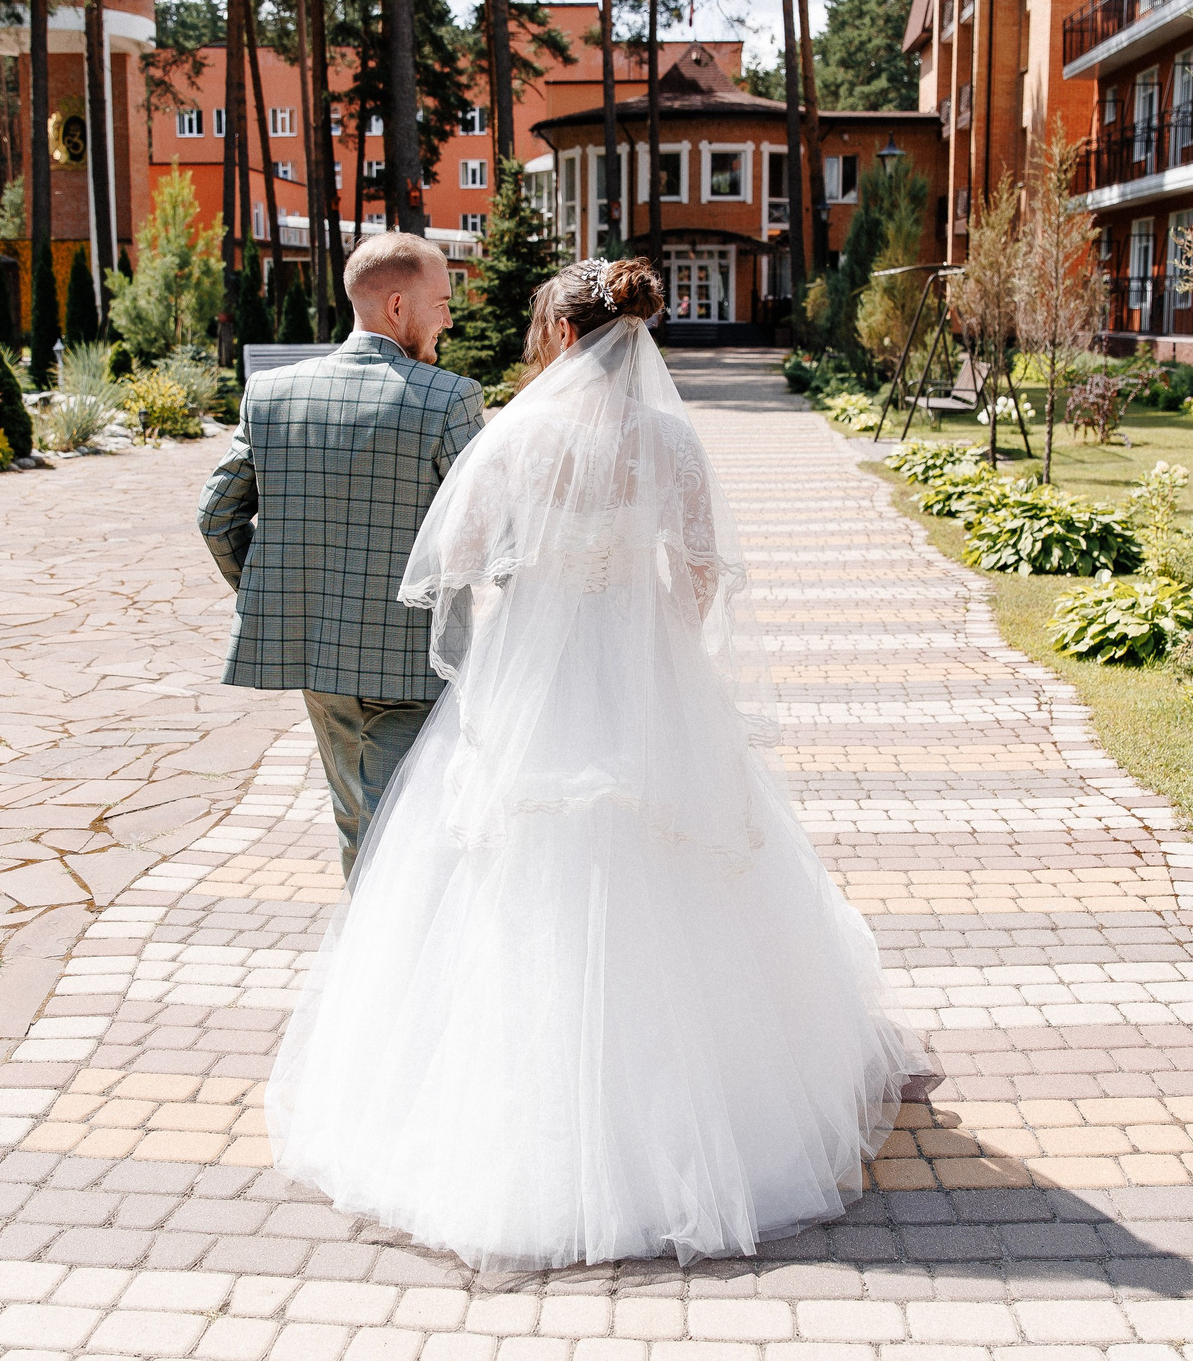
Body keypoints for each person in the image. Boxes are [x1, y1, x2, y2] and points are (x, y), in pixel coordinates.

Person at [268, 257, 924, 1272]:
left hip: (534, 682)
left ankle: (517, 1131)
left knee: (508, 878)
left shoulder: (513, 436)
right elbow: (703, 572)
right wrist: (651, 635)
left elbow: (467, 560)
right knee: (682, 862)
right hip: (645, 674)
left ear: (565, 335)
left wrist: (543, 603)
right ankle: (709, 1121)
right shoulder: (667, 439)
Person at [198, 233, 484, 879]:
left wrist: (274, 592)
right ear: (395, 306)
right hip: (414, 658)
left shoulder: (271, 395)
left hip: (317, 656)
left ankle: (370, 960)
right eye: (440, 303)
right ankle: (395, 968)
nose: (448, 318)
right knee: (405, 827)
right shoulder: (448, 399)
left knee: (358, 816)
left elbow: (215, 517)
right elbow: (482, 532)